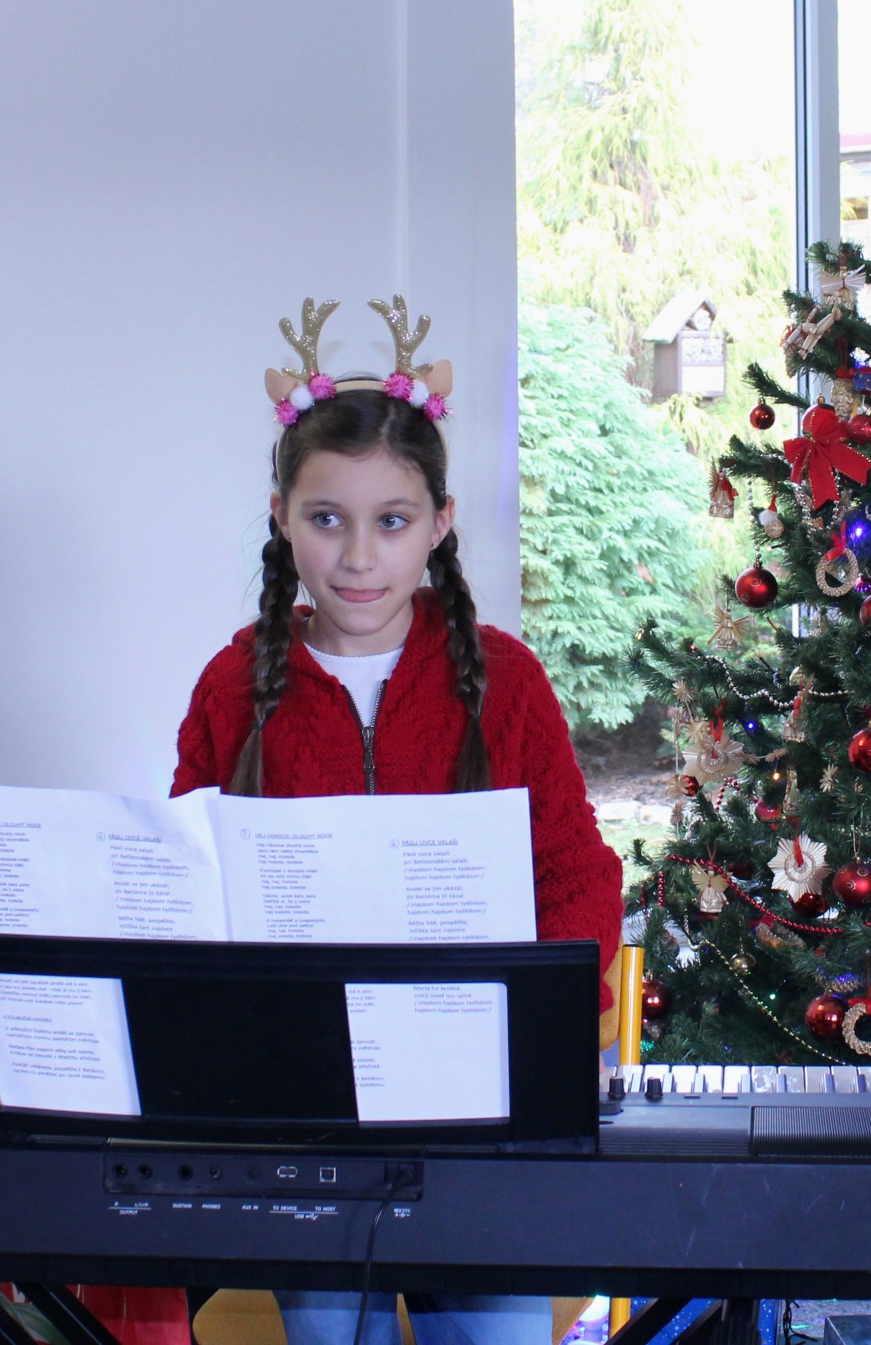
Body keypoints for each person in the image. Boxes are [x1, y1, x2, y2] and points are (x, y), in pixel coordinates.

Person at [170, 298, 622, 1345]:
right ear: (281, 516)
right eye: (327, 519)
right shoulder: (233, 688)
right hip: (304, 1112)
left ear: (440, 523)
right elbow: (189, 886)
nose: (359, 559)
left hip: (479, 1104)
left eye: (392, 521)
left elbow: (576, 872)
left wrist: (552, 1016)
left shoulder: (505, 681)